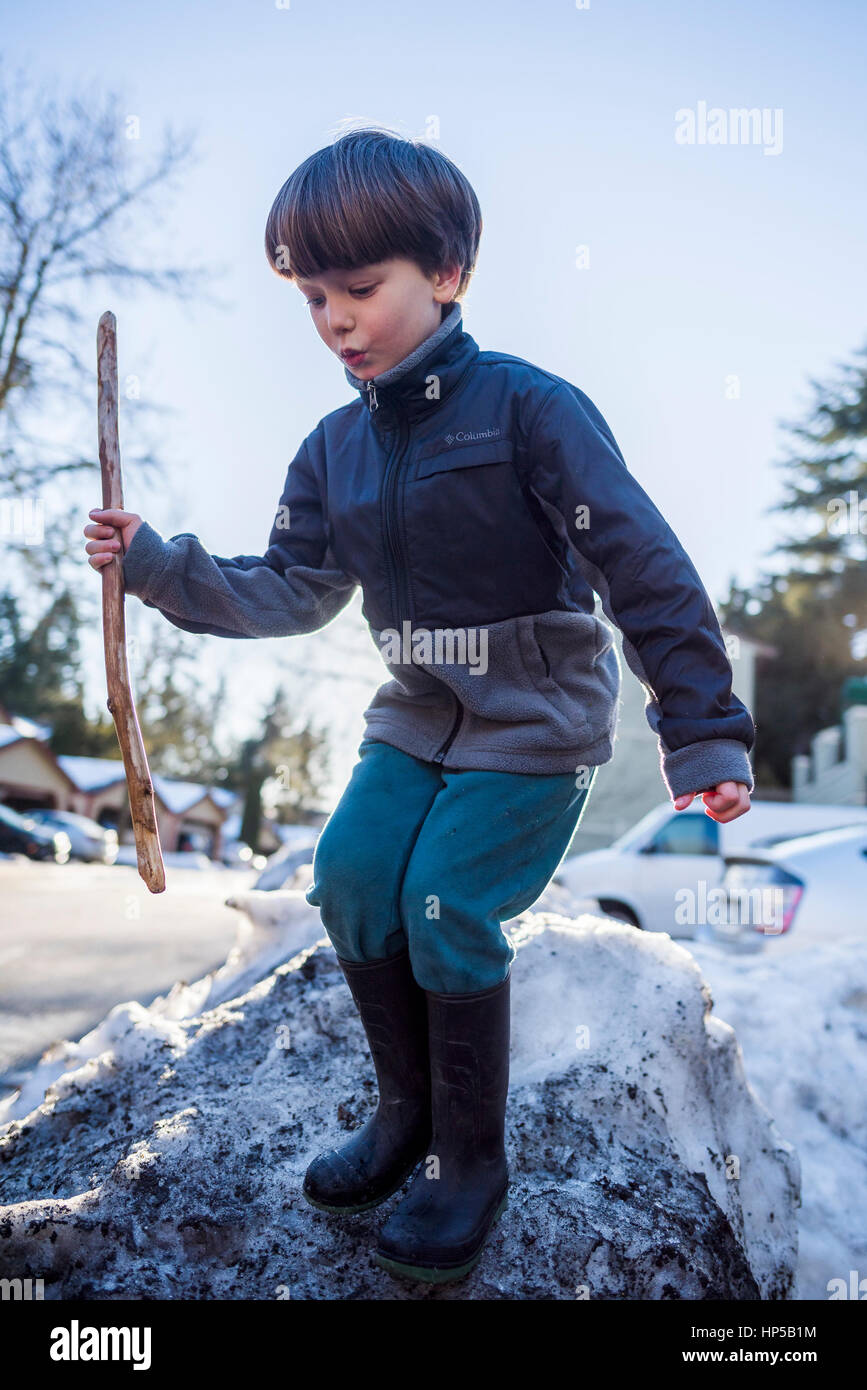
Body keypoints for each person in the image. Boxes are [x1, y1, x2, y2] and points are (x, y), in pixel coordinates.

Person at [83, 124, 754, 1286]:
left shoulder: (532, 413)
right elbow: (287, 590)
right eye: (311, 300)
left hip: (533, 726)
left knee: (445, 901)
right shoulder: (332, 452)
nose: (336, 320)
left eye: (359, 287)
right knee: (349, 877)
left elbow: (641, 563)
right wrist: (155, 566)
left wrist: (699, 723)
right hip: (414, 716)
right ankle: (404, 1114)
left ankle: (468, 1158)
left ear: (446, 275)